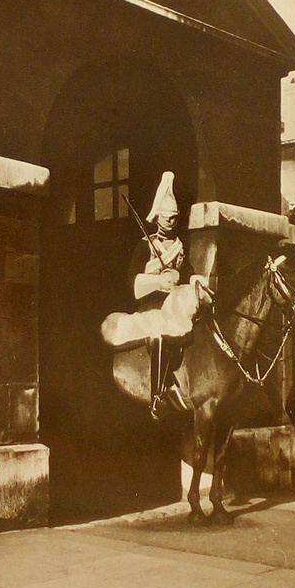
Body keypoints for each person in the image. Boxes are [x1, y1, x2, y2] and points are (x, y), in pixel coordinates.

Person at [100, 172, 211, 419]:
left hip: (176, 306)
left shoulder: (180, 246)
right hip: (151, 308)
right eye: (166, 217)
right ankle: (158, 394)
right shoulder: (145, 245)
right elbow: (132, 280)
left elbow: (188, 270)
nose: (170, 222)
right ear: (157, 217)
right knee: (161, 333)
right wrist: (157, 281)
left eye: (174, 218)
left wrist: (194, 278)